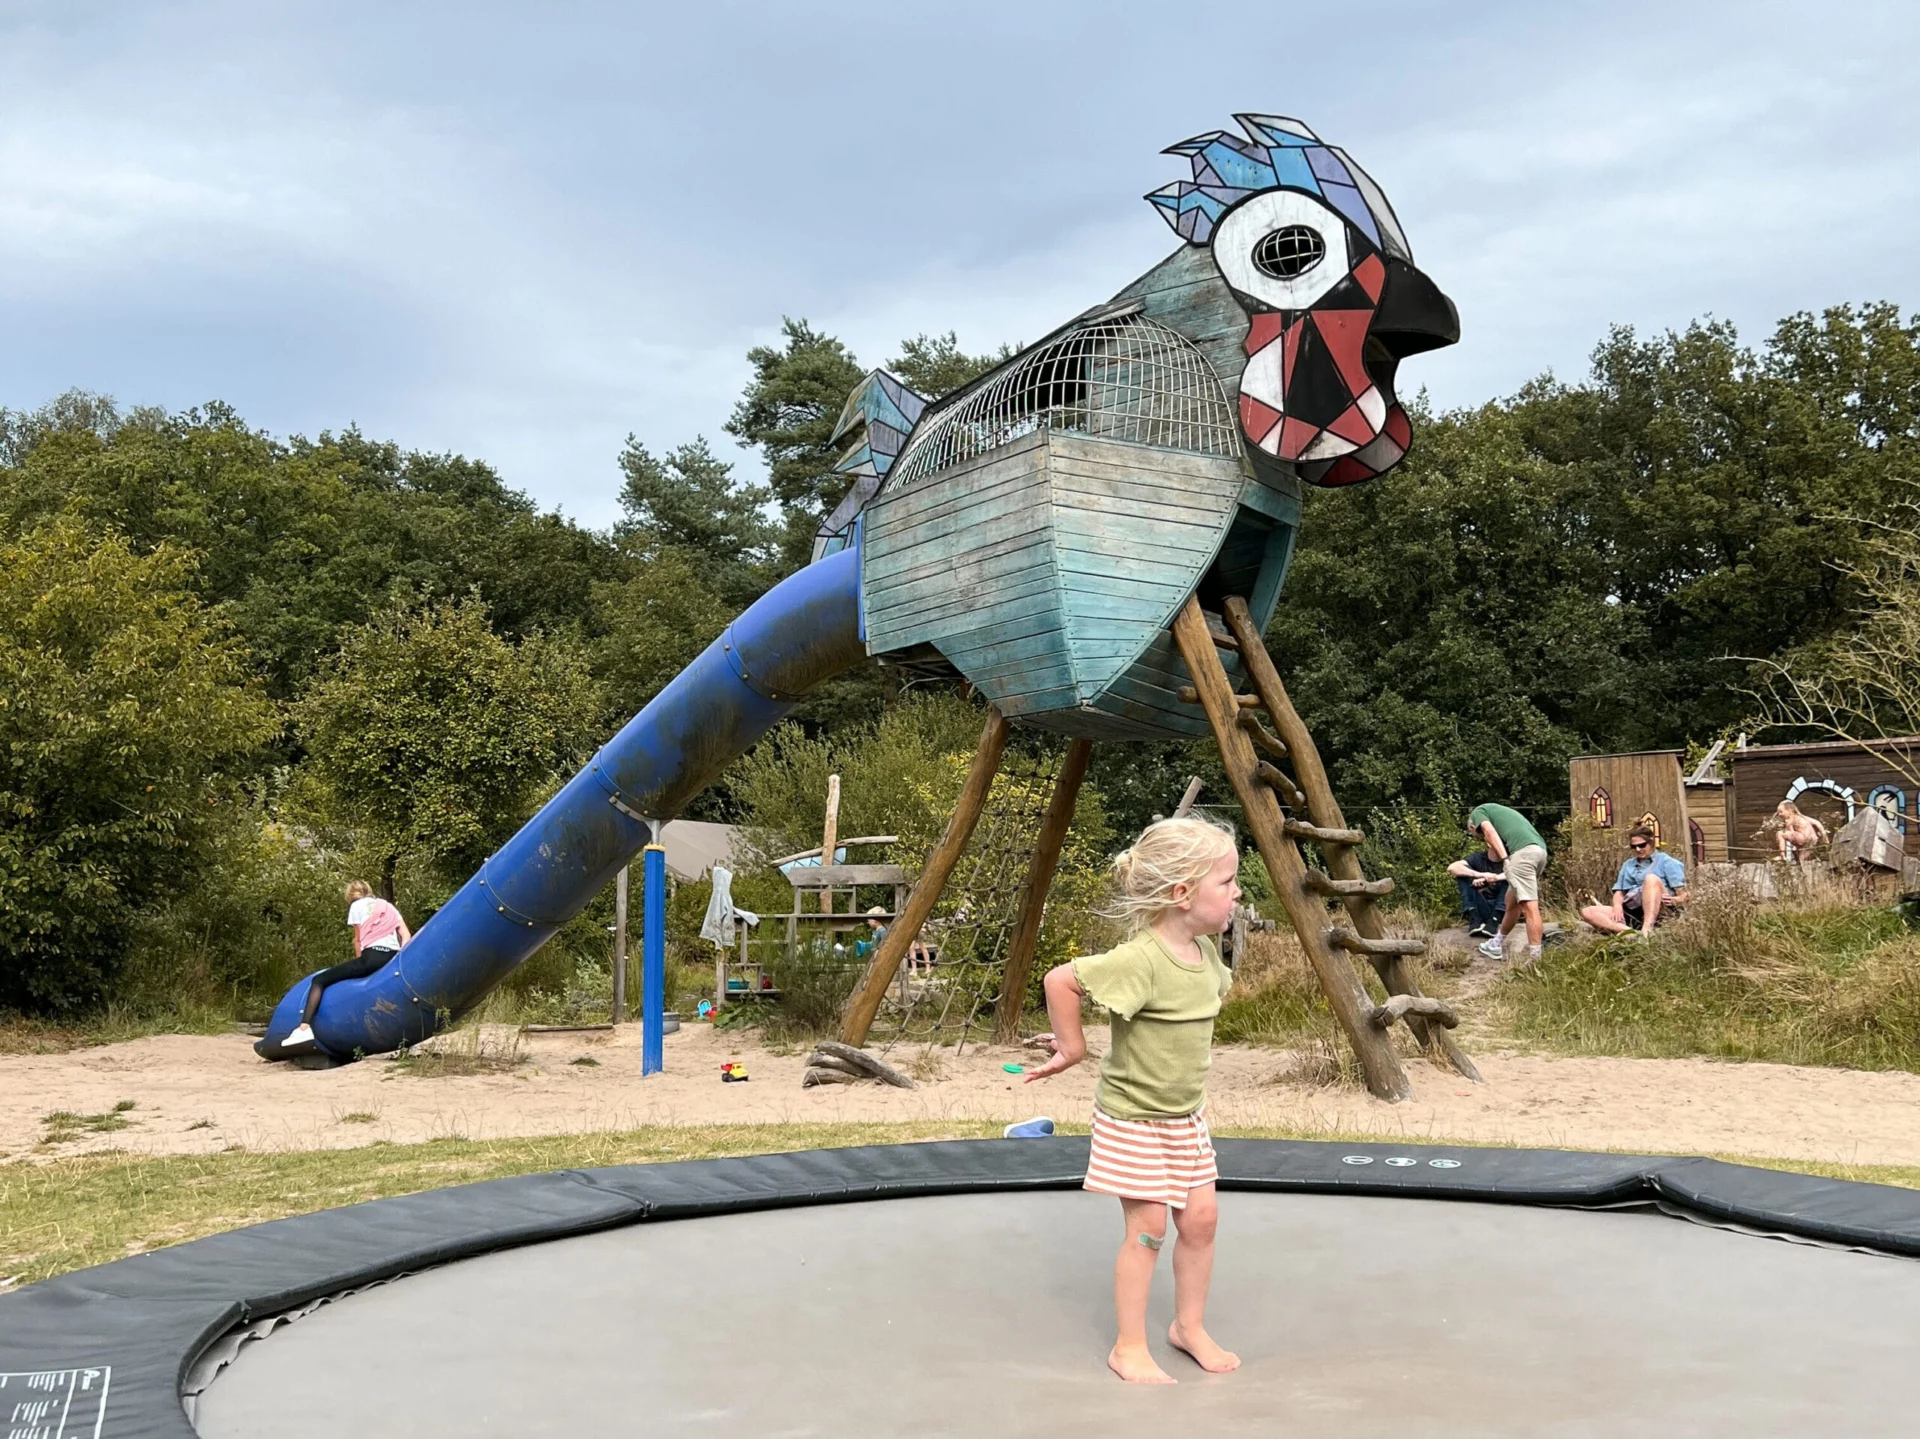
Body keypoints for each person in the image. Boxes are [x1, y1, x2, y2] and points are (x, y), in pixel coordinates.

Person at [1023, 816, 1241, 1385]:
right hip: (1134, 1120)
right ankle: (1128, 1347)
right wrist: (1073, 1047)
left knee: (1202, 1220)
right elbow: (1061, 980)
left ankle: (1187, 1327)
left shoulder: (1205, 954)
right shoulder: (1141, 958)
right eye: (1227, 882)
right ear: (1182, 894)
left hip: (1185, 1118)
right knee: (1149, 1228)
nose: (1238, 892)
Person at [282, 881, 411, 1048]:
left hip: (371, 957)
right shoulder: (388, 906)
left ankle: (304, 1028)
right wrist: (398, 959)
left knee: (319, 980)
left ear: (350, 895)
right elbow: (406, 935)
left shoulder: (356, 906)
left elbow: (358, 940)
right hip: (392, 958)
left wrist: (361, 964)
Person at [1469, 801, 1550, 964]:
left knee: (1529, 907)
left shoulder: (1478, 812)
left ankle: (1536, 961)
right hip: (1540, 852)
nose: (1482, 840)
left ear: (1472, 826)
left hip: (1524, 854)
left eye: (1478, 837)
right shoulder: (1499, 812)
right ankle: (1495, 944)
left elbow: (1490, 832)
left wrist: (1505, 859)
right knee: (1511, 902)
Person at [1581, 825, 1687, 935]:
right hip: (1632, 909)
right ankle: (1632, 932)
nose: (1638, 849)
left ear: (1652, 842)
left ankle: (1647, 930)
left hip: (1659, 909)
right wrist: (1617, 906)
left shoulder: (1667, 862)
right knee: (1588, 912)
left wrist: (1675, 900)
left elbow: (1685, 895)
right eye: (1634, 846)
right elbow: (1619, 892)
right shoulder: (1628, 864)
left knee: (1651, 879)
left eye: (1642, 845)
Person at [1446, 850, 1507, 939]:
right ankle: (1474, 917)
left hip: (1502, 910)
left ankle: (1495, 919)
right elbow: (1452, 867)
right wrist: (1480, 875)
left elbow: (1518, 872)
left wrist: (1493, 878)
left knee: (1511, 878)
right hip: (1482, 905)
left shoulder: (1510, 860)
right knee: (1462, 873)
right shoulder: (1479, 858)